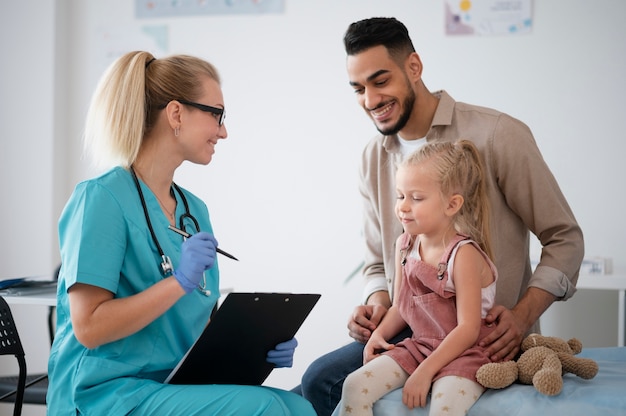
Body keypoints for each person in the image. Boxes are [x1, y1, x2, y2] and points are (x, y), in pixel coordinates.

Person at [297, 17, 584, 416]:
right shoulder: (371, 158)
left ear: (413, 67)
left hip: (479, 337)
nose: (370, 99)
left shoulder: (498, 135)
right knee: (313, 384)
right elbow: (378, 262)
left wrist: (522, 316)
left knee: (313, 388)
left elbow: (564, 238)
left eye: (380, 82)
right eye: (358, 89)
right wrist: (377, 305)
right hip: (409, 334)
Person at [46, 51, 316, 416]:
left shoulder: (195, 211)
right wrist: (179, 281)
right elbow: (89, 328)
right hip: (104, 395)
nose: (223, 131)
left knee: (297, 407)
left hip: (172, 385)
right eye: (216, 114)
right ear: (176, 113)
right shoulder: (101, 199)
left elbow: (200, 327)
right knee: (265, 409)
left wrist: (257, 348)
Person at [339, 140, 497, 415]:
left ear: (452, 204)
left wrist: (424, 372)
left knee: (444, 406)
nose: (403, 207)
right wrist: (379, 334)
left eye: (417, 198)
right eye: (400, 196)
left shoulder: (464, 254)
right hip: (421, 345)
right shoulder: (405, 244)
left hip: (465, 353)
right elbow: (401, 305)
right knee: (354, 385)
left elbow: (468, 329)